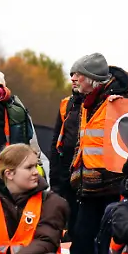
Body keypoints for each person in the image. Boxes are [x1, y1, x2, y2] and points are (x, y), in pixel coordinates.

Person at [67, 53, 128, 254]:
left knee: (114, 241)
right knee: (82, 239)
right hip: (88, 185)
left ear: (92, 78)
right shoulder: (84, 102)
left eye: (78, 74)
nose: (73, 79)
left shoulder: (122, 101)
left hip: (114, 185)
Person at [49, 71, 84, 217]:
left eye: (78, 75)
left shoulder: (98, 104)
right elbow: (56, 140)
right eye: (72, 75)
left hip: (86, 173)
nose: (73, 79)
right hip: (65, 170)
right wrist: (54, 176)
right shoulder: (66, 103)